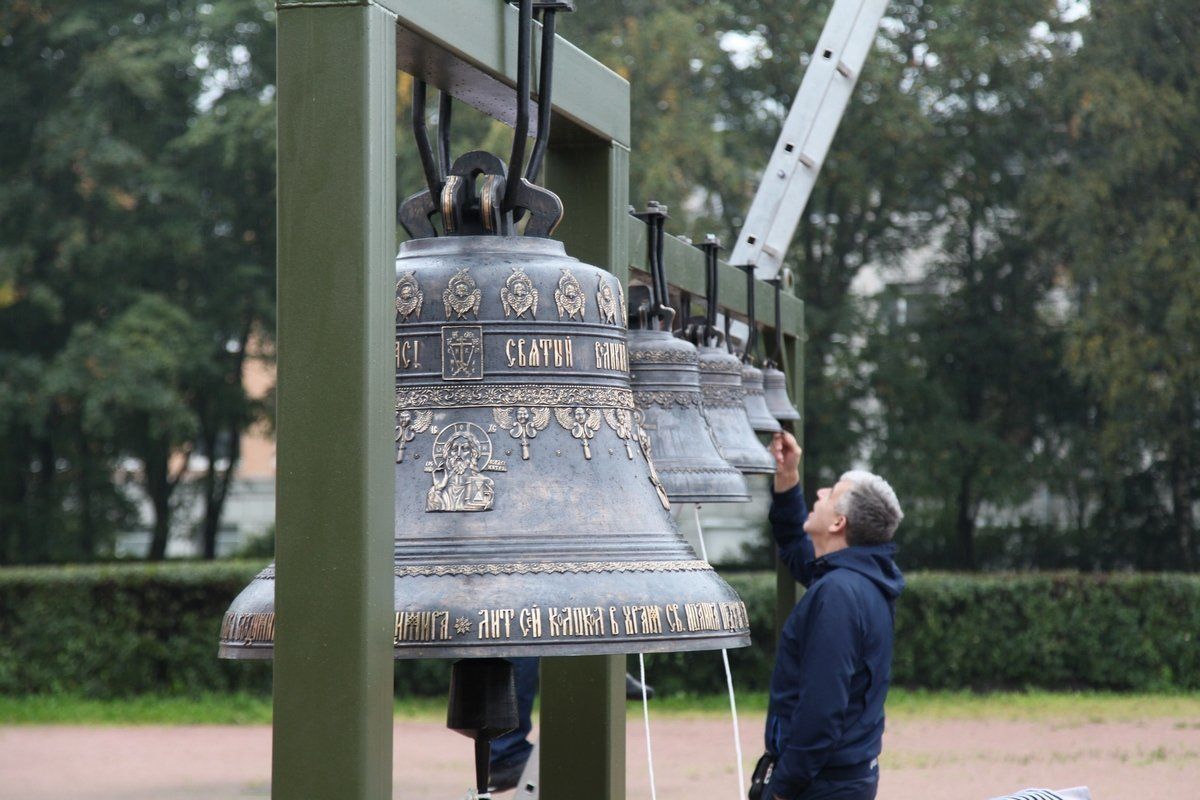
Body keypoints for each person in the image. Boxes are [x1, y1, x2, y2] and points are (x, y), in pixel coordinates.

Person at [756, 431, 905, 800]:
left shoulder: (838, 594)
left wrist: (781, 790)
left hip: (821, 787)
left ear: (839, 523)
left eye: (831, 493)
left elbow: (821, 712)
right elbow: (795, 545)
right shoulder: (857, 578)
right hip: (840, 780)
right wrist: (788, 475)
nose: (820, 492)